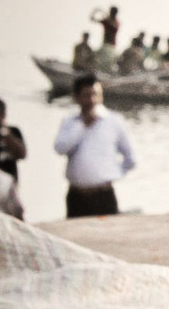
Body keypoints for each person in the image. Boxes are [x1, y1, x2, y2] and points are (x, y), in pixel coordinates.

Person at [54, 75, 137, 218]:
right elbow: (60, 149)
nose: (92, 100)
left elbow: (131, 159)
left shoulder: (114, 121)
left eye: (96, 95)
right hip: (77, 195)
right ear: (77, 97)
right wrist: (83, 125)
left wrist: (111, 174)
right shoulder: (70, 122)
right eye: (87, 95)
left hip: (104, 194)